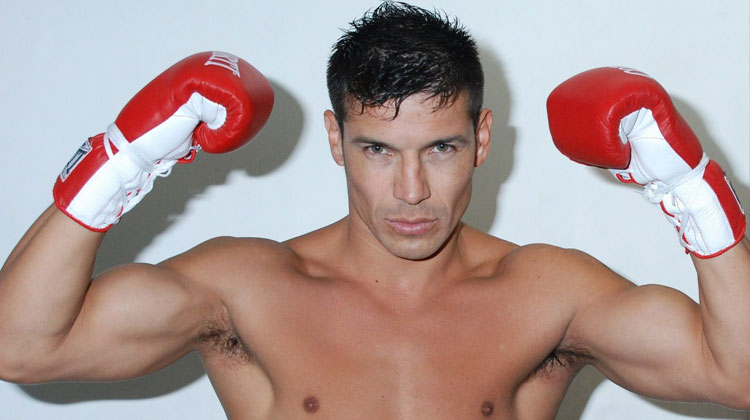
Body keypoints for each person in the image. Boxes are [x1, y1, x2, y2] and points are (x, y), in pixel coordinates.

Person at [0, 2, 748, 419]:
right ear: (337, 139)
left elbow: (737, 377)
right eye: (379, 150)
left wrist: (692, 192)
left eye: (442, 148)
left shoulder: (548, 293)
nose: (412, 190)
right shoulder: (247, 288)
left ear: (483, 139)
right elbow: (23, 348)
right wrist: (121, 161)